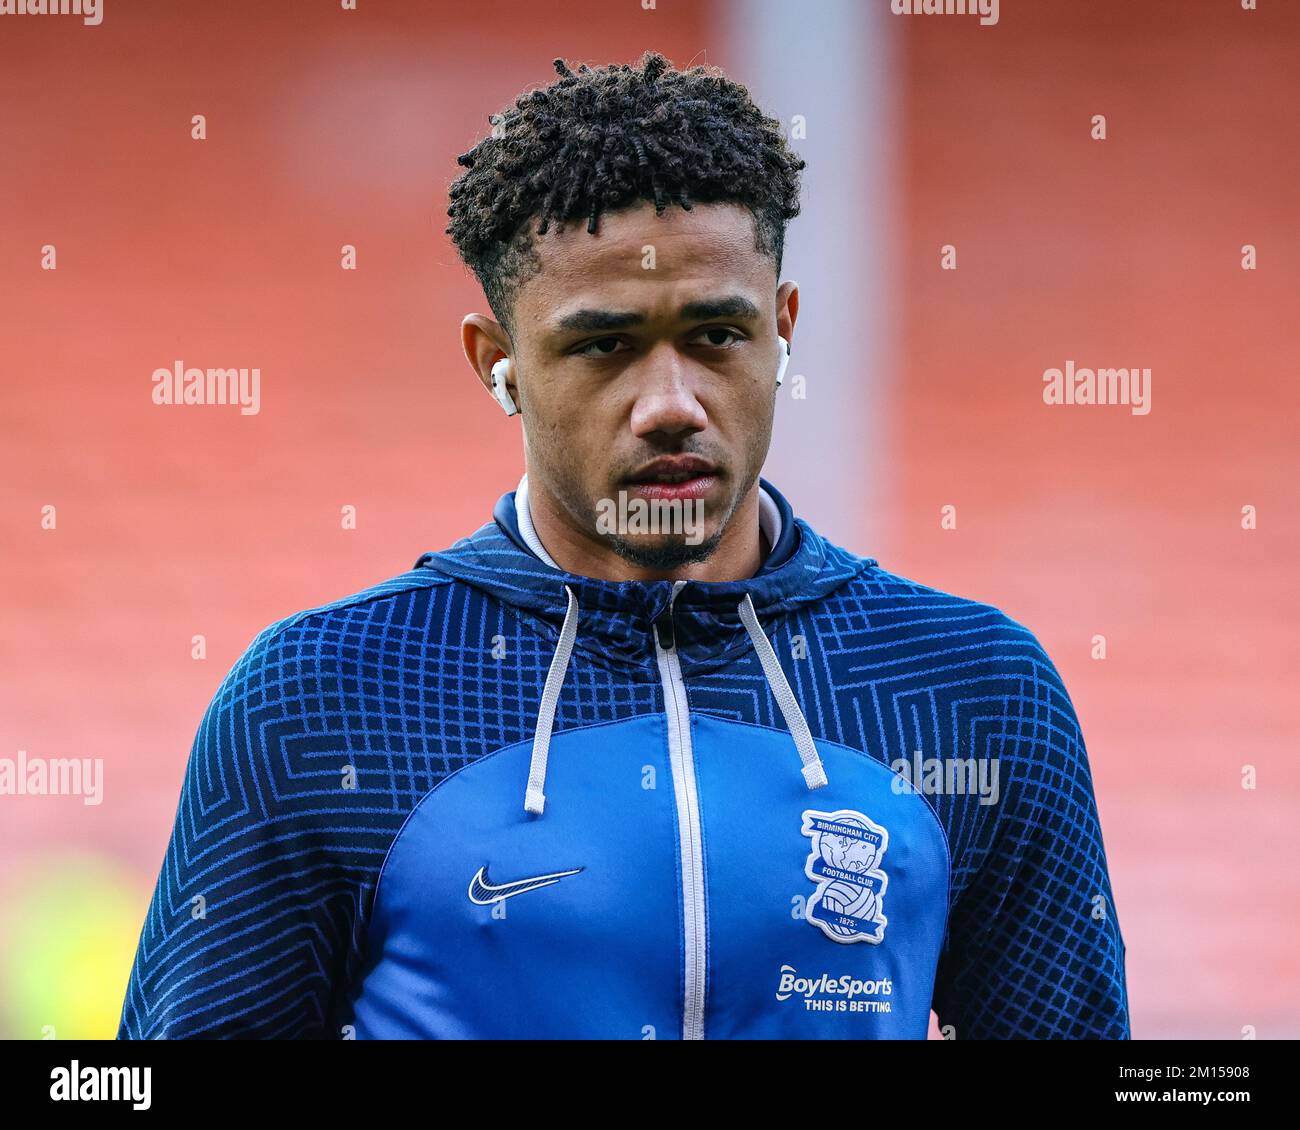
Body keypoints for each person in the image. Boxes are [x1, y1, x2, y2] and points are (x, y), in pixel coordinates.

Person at [117, 51, 1128, 1040]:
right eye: (603, 345)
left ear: (782, 328)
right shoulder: (321, 696)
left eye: (716, 335)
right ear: (497, 360)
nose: (669, 404)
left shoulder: (976, 686)